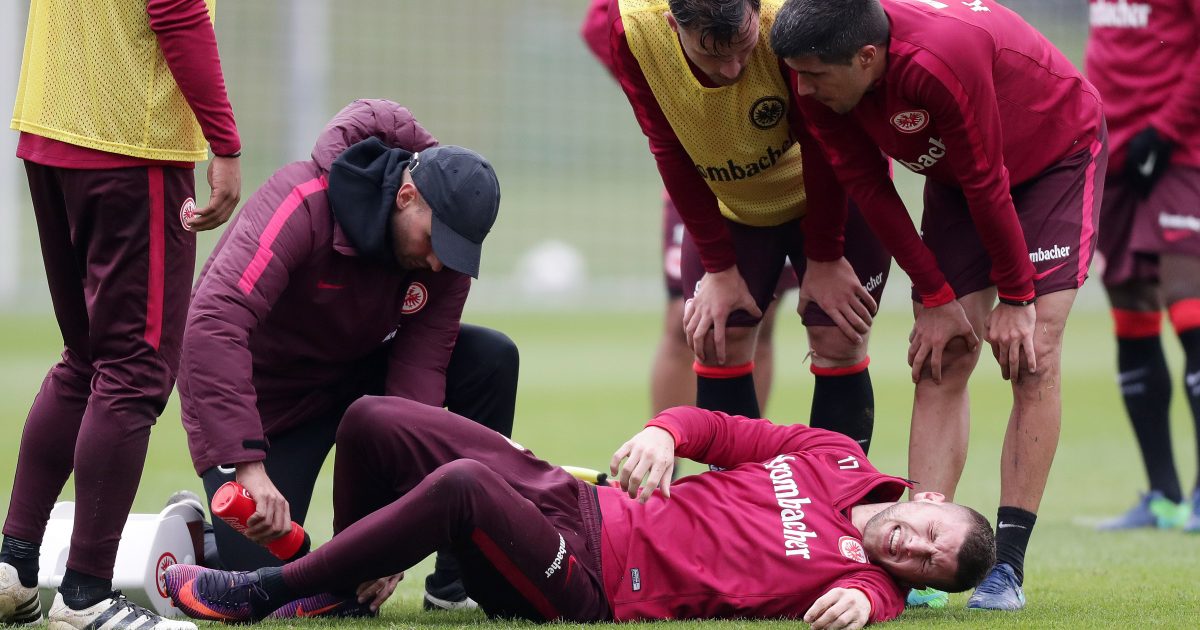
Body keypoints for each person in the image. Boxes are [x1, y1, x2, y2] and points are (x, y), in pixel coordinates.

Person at [769, 0, 1107, 610]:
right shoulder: (824, 86)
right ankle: (917, 566)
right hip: (963, 177)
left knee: (1032, 353)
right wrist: (935, 296)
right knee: (942, 353)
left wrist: (1016, 296)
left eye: (815, 74)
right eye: (798, 73)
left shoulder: (940, 58)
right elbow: (870, 186)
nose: (803, 89)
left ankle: (1006, 568)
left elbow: (988, 180)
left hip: (1054, 157)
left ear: (867, 59)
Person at [162, 400, 995, 629]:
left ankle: (265, 591)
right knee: (373, 419)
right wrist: (664, 433)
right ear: (926, 498)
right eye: (930, 532)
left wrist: (879, 598)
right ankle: (343, 587)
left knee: (462, 487)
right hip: (581, 504)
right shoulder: (839, 457)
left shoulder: (864, 582)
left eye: (927, 565)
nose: (913, 551)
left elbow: (876, 600)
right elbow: (722, 429)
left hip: (589, 583)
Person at [175, 99, 516, 612]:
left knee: (489, 358)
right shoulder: (302, 201)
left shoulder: (443, 260)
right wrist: (247, 465)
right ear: (406, 195)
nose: (437, 263)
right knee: (268, 588)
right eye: (434, 241)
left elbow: (418, 377)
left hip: (357, 386)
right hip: (268, 407)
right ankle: (200, 542)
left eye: (455, 253)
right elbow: (212, 324)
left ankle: (455, 584)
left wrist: (400, 532)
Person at [0, 1, 240, 628]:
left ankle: (13, 566)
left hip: (49, 128)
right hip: (129, 140)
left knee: (84, 362)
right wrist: (225, 142)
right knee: (133, 370)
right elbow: (177, 11)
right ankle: (84, 596)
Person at [603, 0, 891, 448]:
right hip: (737, 204)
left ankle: (837, 506)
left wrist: (826, 257)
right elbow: (667, 144)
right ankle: (742, 507)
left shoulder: (785, 19)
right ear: (671, 25)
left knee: (837, 335)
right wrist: (719, 269)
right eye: (712, 55)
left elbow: (823, 142)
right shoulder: (632, 31)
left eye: (743, 46)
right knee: (719, 337)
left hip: (833, 188)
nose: (734, 68)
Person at [580, 0, 797, 418]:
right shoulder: (638, 23)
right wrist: (680, 86)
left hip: (781, 170)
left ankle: (742, 471)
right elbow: (599, 25)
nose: (732, 67)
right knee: (693, 321)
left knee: (759, 319)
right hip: (701, 174)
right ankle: (667, 472)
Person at [1086, 0, 1200, 532]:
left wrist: (1167, 127)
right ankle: (1163, 497)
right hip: (1114, 148)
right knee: (1130, 307)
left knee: (1189, 305)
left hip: (1182, 146)